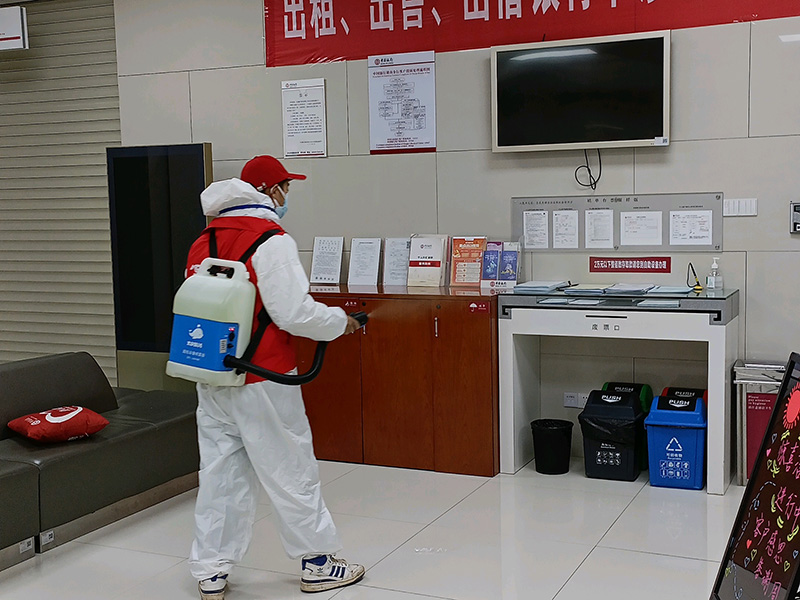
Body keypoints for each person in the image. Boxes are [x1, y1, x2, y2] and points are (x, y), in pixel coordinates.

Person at [184, 155, 365, 600]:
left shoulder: (204, 240)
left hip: (212, 375)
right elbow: (293, 312)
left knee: (221, 474)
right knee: (290, 468)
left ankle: (211, 571)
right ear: (268, 191)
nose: (287, 196)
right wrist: (339, 322)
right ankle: (318, 564)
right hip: (263, 377)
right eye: (285, 187)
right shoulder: (272, 239)